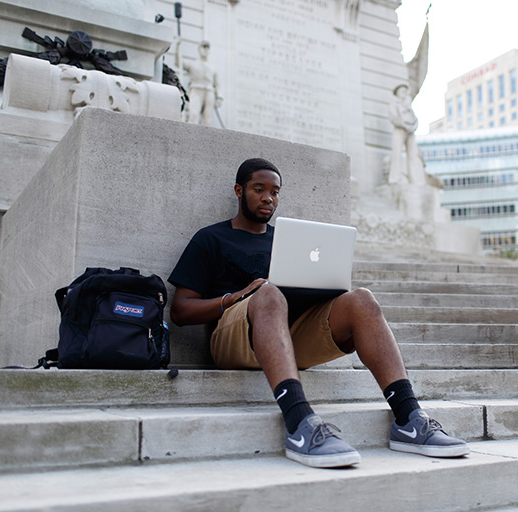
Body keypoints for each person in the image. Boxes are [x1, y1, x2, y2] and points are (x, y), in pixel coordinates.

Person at [168, 157, 468, 469]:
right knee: (269, 293)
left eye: (275, 191)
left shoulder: (288, 240)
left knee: (361, 299)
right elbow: (180, 310)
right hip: (232, 340)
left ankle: (409, 418)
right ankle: (300, 425)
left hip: (287, 337)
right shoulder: (211, 238)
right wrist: (235, 297)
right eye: (259, 189)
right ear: (239, 190)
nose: (268, 197)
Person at [174, 37, 222, 125]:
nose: (205, 50)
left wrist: (219, 97)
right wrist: (177, 47)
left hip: (209, 92)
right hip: (196, 90)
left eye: (207, 48)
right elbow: (178, 63)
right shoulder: (193, 64)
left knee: (207, 120)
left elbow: (217, 84)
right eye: (204, 47)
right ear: (199, 49)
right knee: (194, 116)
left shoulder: (213, 67)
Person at [388, 83, 425, 186]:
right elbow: (394, 117)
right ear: (397, 93)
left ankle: (414, 179)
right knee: (397, 153)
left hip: (410, 131)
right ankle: (395, 178)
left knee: (413, 155)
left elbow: (414, 118)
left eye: (405, 91)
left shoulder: (408, 106)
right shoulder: (394, 104)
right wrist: (405, 126)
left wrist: (413, 126)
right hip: (400, 129)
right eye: (402, 91)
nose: (404, 93)